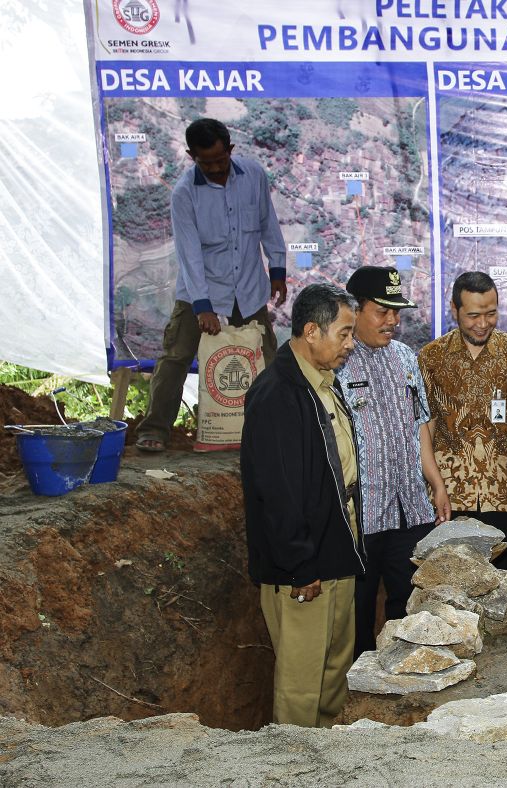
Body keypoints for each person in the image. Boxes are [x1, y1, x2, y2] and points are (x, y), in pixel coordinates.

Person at [240, 283, 364, 728]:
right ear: (312, 331)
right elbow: (277, 492)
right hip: (303, 566)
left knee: (334, 666)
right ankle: (292, 764)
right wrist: (300, 565)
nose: (351, 344)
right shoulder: (277, 395)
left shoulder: (323, 384)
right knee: (302, 679)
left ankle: (327, 754)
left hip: (335, 549)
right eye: (345, 334)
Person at [136, 117, 287, 452]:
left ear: (231, 149)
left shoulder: (254, 176)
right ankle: (155, 429)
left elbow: (268, 224)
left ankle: (274, 428)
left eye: (222, 159)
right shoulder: (184, 194)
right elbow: (189, 254)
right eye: (208, 163)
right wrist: (202, 307)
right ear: (193, 157)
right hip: (199, 292)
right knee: (176, 358)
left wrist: (278, 268)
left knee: (267, 359)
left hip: (247, 290)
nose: (217, 168)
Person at [337, 266, 450, 658]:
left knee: (407, 603)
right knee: (357, 609)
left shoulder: (405, 358)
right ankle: (360, 689)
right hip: (362, 516)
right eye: (382, 311)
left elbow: (420, 425)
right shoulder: (337, 363)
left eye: (396, 312)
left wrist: (435, 482)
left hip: (410, 510)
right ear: (355, 310)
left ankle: (405, 677)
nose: (393, 321)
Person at [418, 272, 507, 571]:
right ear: (454, 310)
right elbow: (423, 426)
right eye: (473, 315)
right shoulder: (431, 357)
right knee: (448, 585)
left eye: (491, 314)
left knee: (500, 586)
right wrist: (434, 483)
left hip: (502, 494)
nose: (482, 323)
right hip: (449, 494)